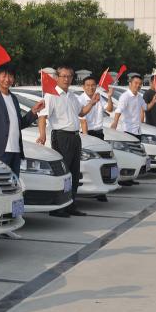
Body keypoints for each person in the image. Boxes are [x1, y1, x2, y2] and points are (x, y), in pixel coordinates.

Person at [36, 65, 97, 217]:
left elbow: (81, 112)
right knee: (63, 172)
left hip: (75, 137)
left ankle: (70, 204)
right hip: (61, 136)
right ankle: (57, 208)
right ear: (57, 78)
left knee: (74, 173)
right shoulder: (51, 95)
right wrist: (42, 134)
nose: (66, 79)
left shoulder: (72, 96)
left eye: (69, 76)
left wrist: (92, 103)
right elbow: (42, 116)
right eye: (63, 76)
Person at [78, 75, 114, 140]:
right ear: (83, 87)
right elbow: (83, 122)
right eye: (88, 85)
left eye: (93, 85)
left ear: (96, 86)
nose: (91, 87)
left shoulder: (99, 97)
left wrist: (109, 97)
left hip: (99, 133)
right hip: (86, 133)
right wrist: (86, 138)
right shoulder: (80, 100)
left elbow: (109, 109)